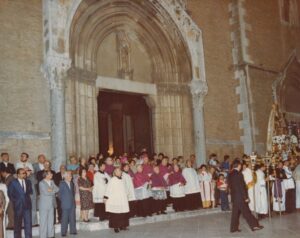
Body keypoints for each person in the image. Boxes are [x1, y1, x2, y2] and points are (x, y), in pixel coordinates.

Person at [228, 159, 263, 233]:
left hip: (234, 197)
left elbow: (231, 186)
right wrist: (246, 197)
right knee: (247, 212)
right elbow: (241, 187)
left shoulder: (230, 174)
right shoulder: (239, 174)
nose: (241, 166)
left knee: (235, 213)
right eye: (240, 165)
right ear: (239, 165)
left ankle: (233, 228)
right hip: (240, 197)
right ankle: (254, 226)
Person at [8, 168, 33, 238]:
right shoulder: (13, 182)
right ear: (18, 174)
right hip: (18, 206)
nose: (24, 174)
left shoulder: (28, 182)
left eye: (25, 173)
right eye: (22, 173)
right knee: (17, 224)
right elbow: (10, 194)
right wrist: (16, 201)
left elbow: (30, 192)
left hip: (27, 206)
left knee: (28, 223)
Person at [104, 167, 129, 233]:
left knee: (122, 213)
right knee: (116, 213)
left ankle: (122, 226)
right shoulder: (112, 180)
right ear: (114, 173)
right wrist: (106, 197)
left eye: (120, 171)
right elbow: (108, 188)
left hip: (122, 199)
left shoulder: (122, 180)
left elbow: (125, 188)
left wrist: (127, 194)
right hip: (115, 199)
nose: (119, 172)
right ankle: (115, 227)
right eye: (117, 171)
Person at [39, 170, 59, 238]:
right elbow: (46, 193)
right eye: (50, 174)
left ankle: (51, 235)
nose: (52, 175)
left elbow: (57, 189)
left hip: (51, 204)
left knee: (51, 221)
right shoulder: (41, 183)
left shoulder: (52, 181)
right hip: (44, 205)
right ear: (46, 175)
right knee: (43, 222)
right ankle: (43, 236)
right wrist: (52, 190)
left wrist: (51, 190)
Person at [59, 171, 77, 237]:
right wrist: (64, 201)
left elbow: (73, 193)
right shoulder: (62, 183)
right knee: (64, 219)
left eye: (71, 176)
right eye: (70, 176)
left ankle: (73, 231)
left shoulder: (72, 183)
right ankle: (63, 232)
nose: (71, 177)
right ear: (65, 177)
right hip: (65, 204)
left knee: (72, 218)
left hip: (72, 203)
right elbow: (59, 195)